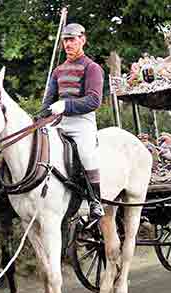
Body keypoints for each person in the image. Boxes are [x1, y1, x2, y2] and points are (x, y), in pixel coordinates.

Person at [41, 23, 105, 219]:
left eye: (72, 39)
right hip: (59, 122)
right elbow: (48, 103)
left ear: (82, 40)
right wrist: (40, 116)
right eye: (65, 40)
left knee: (86, 154)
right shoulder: (58, 71)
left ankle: (95, 201)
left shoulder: (92, 68)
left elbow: (94, 100)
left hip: (82, 122)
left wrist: (66, 105)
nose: (68, 44)